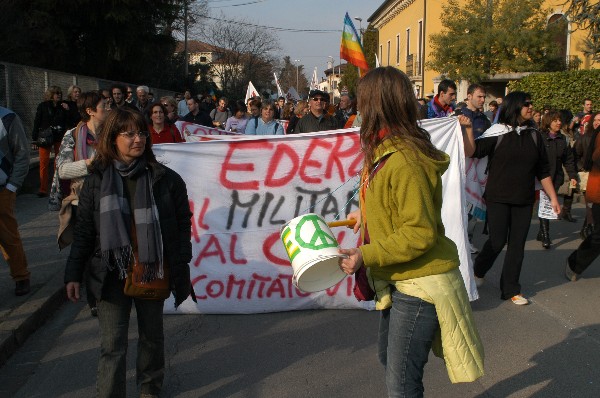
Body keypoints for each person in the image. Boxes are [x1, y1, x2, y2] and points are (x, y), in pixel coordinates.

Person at [338, 67, 483, 397]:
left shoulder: (404, 159)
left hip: (421, 283)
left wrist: (365, 254)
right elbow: (395, 205)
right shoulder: (384, 151)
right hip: (400, 277)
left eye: (362, 102)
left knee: (402, 383)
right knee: (389, 361)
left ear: (377, 105)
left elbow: (418, 232)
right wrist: (366, 213)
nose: (358, 110)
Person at [64, 107, 195, 398]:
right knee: (112, 345)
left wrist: (181, 262)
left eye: (142, 133)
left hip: (152, 269)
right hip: (110, 273)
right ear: (112, 139)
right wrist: (72, 274)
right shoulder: (97, 181)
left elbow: (183, 223)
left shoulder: (166, 179)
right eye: (129, 134)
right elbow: (84, 231)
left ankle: (149, 389)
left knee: (151, 337)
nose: (138, 139)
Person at [463, 91, 561, 305]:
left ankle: (511, 289)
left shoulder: (534, 136)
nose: (531, 107)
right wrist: (468, 129)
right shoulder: (497, 133)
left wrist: (553, 197)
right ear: (515, 106)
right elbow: (472, 152)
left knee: (517, 245)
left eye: (531, 103)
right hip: (497, 197)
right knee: (497, 241)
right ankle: (479, 269)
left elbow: (543, 171)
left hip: (524, 199)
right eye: (527, 104)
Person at [56, 91, 107, 316]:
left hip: (108, 199)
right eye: (104, 105)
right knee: (87, 251)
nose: (108, 108)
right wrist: (90, 164)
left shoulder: (112, 132)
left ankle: (111, 292)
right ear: (90, 111)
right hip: (81, 201)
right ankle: (95, 298)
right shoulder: (72, 135)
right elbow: (62, 170)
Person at [0, 106, 32, 296]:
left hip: (3, 190)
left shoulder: (8, 118)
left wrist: (12, 187)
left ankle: (21, 276)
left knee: (8, 237)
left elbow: (22, 153)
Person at [536, 111, 577, 249]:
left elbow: (568, 160)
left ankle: (542, 231)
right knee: (545, 203)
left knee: (546, 203)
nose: (559, 123)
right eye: (555, 120)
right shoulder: (539, 137)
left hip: (556, 177)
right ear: (548, 122)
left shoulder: (563, 139)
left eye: (560, 120)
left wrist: (572, 176)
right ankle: (546, 235)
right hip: (541, 177)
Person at [32, 85, 71, 197]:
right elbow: (37, 122)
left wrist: (67, 110)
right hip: (45, 137)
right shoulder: (43, 106)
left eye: (60, 93)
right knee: (43, 163)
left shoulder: (62, 106)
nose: (59, 95)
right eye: (56, 93)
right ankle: (43, 189)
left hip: (59, 136)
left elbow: (67, 121)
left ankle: (58, 187)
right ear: (51, 94)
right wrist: (34, 140)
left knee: (58, 162)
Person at [575, 112, 600, 239]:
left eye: (599, 120)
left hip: (597, 177)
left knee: (593, 207)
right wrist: (582, 168)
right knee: (590, 205)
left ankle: (587, 228)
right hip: (588, 176)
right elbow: (575, 155)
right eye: (595, 120)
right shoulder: (584, 138)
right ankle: (589, 230)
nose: (597, 122)